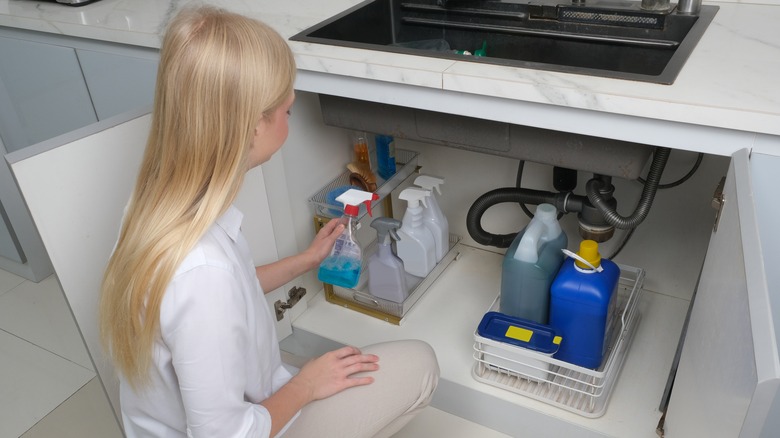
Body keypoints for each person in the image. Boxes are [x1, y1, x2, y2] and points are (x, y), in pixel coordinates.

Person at [99, 6, 439, 438]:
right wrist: (306, 385)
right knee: (420, 364)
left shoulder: (158, 203)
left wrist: (307, 259)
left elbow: (227, 290)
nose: (289, 122)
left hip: (228, 405)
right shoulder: (202, 271)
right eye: (287, 111)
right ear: (251, 124)